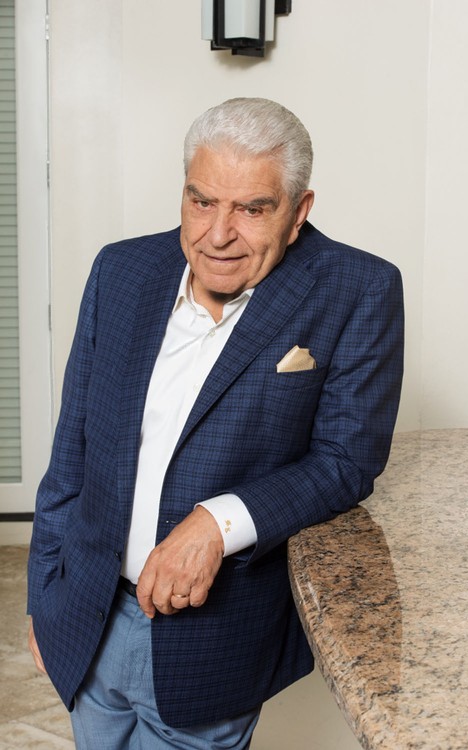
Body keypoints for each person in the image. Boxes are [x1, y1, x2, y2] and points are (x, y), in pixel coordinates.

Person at [27, 97, 404, 749]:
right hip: (86, 617)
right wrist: (44, 599)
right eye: (202, 202)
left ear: (298, 212)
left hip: (210, 645)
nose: (218, 234)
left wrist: (216, 523)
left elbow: (347, 461)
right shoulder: (119, 270)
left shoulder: (359, 289)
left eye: (252, 209)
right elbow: (71, 456)